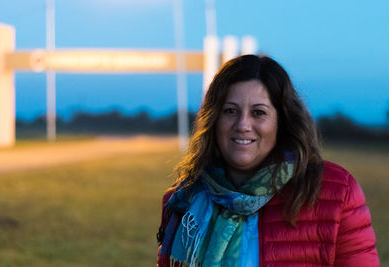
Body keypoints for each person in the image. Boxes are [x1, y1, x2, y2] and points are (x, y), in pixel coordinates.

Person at [156, 55, 379, 266]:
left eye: (258, 112)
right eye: (230, 110)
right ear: (213, 119)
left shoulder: (336, 192)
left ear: (281, 121)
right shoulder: (183, 200)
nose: (243, 124)